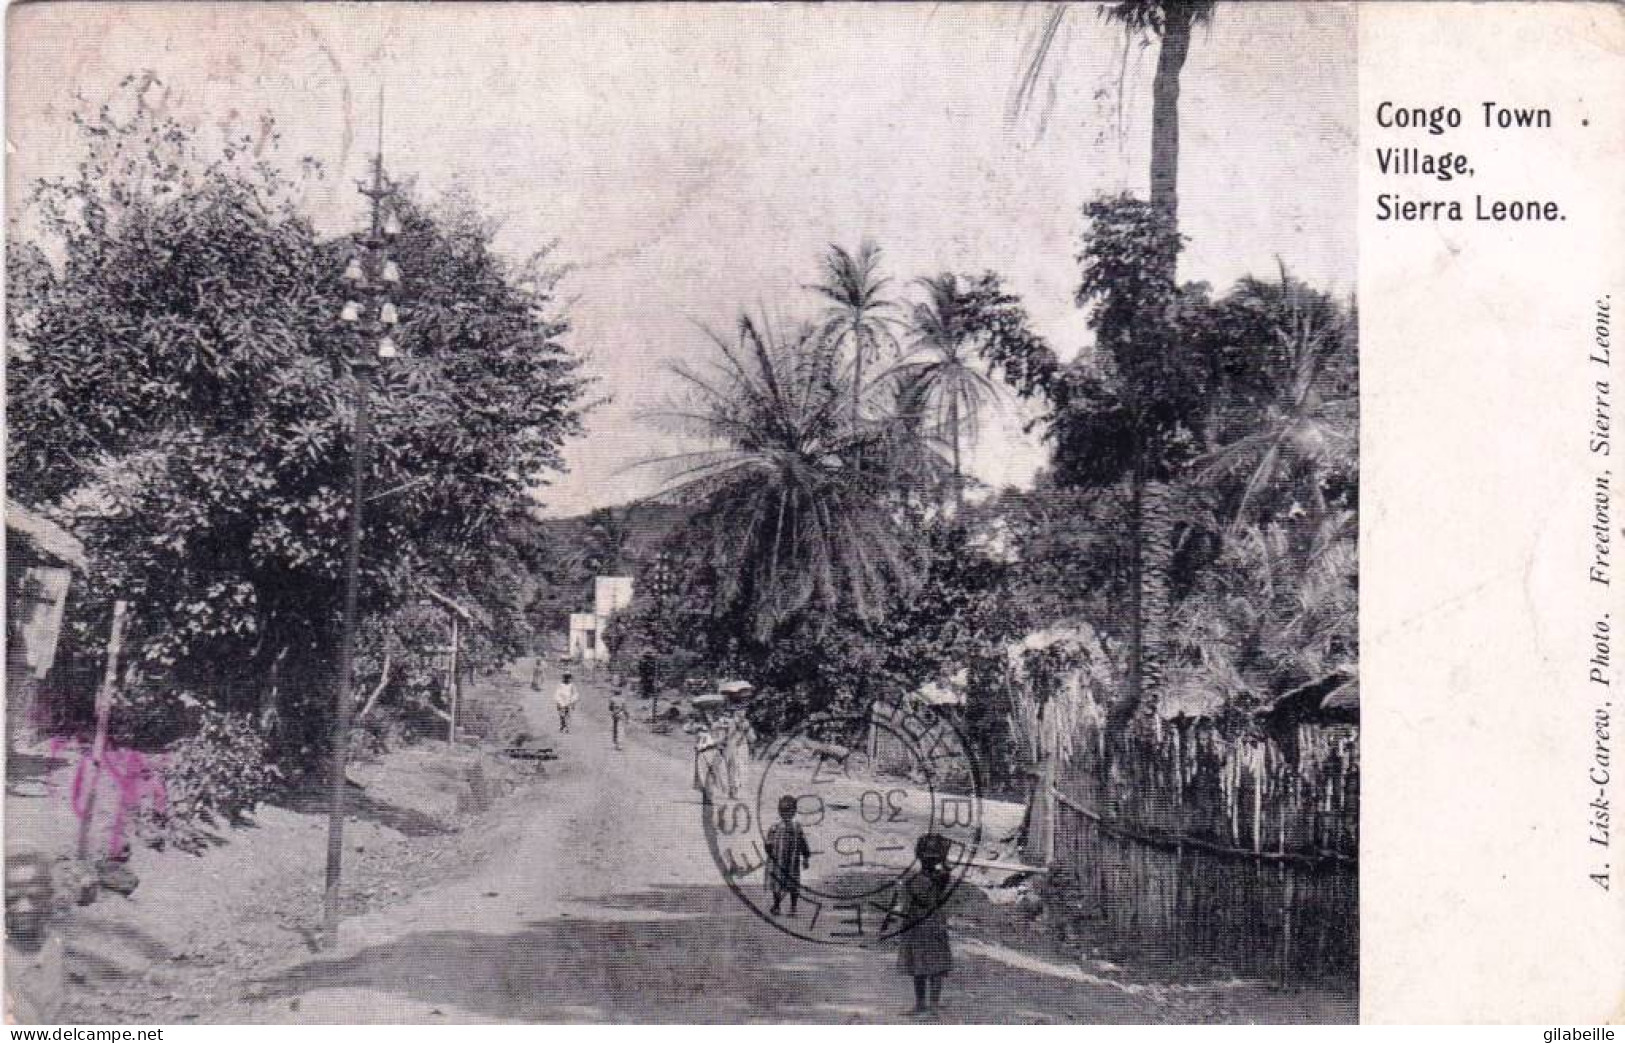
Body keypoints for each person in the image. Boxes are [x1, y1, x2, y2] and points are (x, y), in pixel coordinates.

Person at [893, 833, 954, 1016]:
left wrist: (902, 889)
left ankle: (927, 1006)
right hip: (928, 923)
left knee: (925, 966)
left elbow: (906, 905)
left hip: (922, 924)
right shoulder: (937, 877)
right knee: (928, 966)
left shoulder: (923, 880)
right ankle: (927, 1006)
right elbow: (946, 870)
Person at [763, 794, 812, 917]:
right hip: (779, 862)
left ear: (794, 811)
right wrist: (769, 849)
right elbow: (768, 845)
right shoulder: (775, 828)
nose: (785, 814)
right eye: (782, 811)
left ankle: (792, 908)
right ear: (779, 811)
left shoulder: (796, 828)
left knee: (792, 884)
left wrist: (805, 858)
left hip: (791, 863)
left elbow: (803, 843)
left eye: (788, 811)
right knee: (778, 884)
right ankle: (778, 906)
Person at [722, 711, 755, 799]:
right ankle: (732, 790)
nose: (741, 714)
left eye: (743, 712)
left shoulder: (746, 724)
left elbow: (752, 738)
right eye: (739, 712)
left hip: (742, 748)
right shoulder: (730, 722)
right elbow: (726, 735)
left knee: (741, 769)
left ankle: (735, 791)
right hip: (732, 747)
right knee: (732, 769)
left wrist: (746, 731)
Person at [693, 718, 724, 801]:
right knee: (703, 774)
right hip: (703, 753)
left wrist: (711, 743)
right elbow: (698, 744)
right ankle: (706, 794)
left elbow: (720, 740)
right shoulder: (701, 732)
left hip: (713, 752)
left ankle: (710, 794)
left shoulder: (719, 728)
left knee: (713, 774)